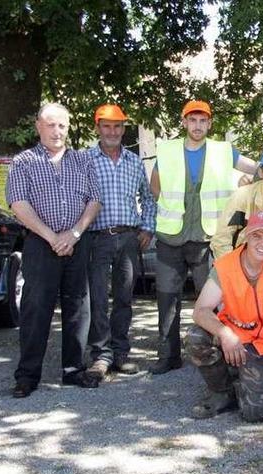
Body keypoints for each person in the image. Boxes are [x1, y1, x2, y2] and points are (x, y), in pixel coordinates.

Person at [149, 99, 258, 374]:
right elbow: (155, 187)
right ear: (184, 122)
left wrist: (247, 184)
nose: (197, 126)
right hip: (171, 236)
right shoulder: (168, 150)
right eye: (192, 120)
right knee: (166, 298)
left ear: (210, 124)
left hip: (208, 238)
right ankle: (168, 355)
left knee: (209, 300)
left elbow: (259, 169)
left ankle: (212, 353)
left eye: (203, 121)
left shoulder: (224, 151)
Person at [7, 103, 102, 398]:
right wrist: (52, 237)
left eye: (62, 125)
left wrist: (73, 234)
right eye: (50, 125)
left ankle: (73, 370)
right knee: (36, 308)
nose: (56, 131)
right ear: (38, 127)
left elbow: (94, 201)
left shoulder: (83, 160)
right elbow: (18, 204)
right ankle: (27, 376)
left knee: (78, 305)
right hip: (40, 243)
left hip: (77, 241)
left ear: (68, 127)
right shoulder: (24, 162)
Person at [188, 211, 263, 421]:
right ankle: (221, 392)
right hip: (235, 334)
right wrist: (225, 334)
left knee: (254, 413)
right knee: (196, 336)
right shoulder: (226, 266)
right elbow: (201, 310)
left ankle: (254, 380)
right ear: (246, 236)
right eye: (256, 236)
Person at [84, 104, 156, 379]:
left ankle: (121, 353)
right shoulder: (85, 159)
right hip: (96, 239)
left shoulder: (134, 162)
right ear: (98, 128)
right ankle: (100, 356)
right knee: (98, 299)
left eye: (117, 126)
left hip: (128, 238)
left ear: (124, 129)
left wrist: (147, 228)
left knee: (125, 298)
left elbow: (148, 199)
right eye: (107, 126)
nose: (112, 131)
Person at [210, 149, 263, 258]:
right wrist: (231, 269)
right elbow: (221, 239)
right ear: (261, 172)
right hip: (239, 255)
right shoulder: (242, 195)